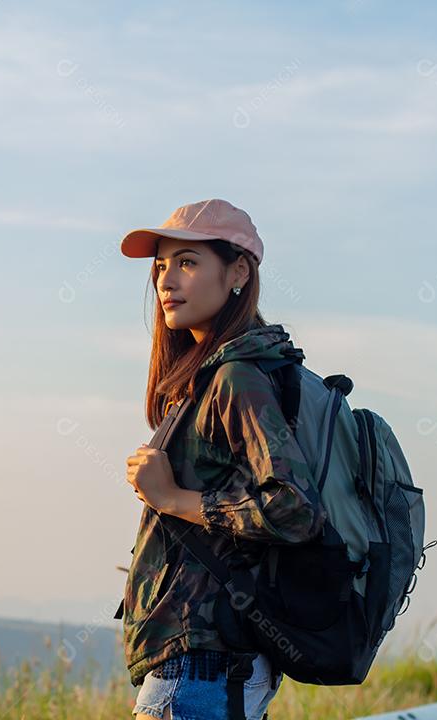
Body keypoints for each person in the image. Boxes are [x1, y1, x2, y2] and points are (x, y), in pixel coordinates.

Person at [118, 199, 327, 720]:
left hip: (202, 669)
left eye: (187, 262)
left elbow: (294, 509)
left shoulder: (237, 378)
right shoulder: (208, 377)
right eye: (161, 266)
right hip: (203, 668)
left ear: (237, 271)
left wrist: (172, 498)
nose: (167, 281)